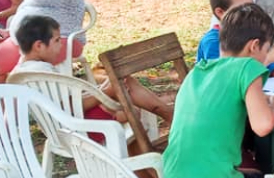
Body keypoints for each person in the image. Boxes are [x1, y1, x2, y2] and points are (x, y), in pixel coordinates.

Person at [162, 3, 274, 178]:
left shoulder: (198, 71)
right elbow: (263, 126)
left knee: (254, 176)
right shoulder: (248, 68)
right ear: (254, 46)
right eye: (267, 50)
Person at [12, 15, 174, 129]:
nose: (61, 44)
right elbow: (69, 107)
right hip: (78, 128)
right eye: (56, 40)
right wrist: (103, 93)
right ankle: (170, 116)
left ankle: (167, 115)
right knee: (127, 92)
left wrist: (102, 90)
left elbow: (66, 102)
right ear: (39, 46)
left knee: (121, 86)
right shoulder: (42, 73)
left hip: (64, 127)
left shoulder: (24, 70)